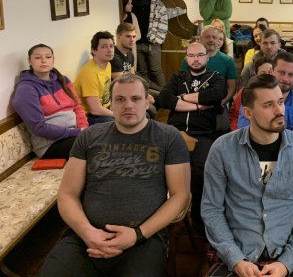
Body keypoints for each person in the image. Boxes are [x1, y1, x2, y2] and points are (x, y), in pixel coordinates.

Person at [39, 74, 191, 277]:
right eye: (120, 99)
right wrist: (87, 232)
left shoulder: (168, 137)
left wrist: (137, 235)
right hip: (87, 236)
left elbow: (180, 195)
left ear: (147, 102)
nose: (128, 105)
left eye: (135, 98)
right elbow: (67, 193)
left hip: (144, 238)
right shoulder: (89, 137)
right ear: (111, 104)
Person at [201, 74, 293, 277]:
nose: (279, 111)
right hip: (238, 251)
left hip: (286, 252)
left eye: (280, 102)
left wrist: (285, 264)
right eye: (268, 105)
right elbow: (211, 210)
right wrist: (236, 260)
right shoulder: (222, 149)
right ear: (248, 113)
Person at [159, 42, 226, 232]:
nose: (195, 59)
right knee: (158, 165)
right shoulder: (178, 77)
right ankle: (162, 213)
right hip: (174, 132)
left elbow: (215, 95)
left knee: (203, 169)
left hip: (203, 134)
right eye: (191, 55)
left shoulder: (216, 77)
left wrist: (181, 98)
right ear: (186, 58)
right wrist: (198, 105)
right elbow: (164, 98)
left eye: (200, 55)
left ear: (207, 57)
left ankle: (198, 216)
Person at [12, 44, 88, 159]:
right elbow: (39, 127)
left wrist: (83, 128)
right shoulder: (26, 89)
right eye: (38, 57)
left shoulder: (63, 80)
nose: (43, 61)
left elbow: (77, 106)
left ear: (53, 60)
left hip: (75, 132)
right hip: (50, 145)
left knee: (107, 131)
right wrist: (77, 132)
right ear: (30, 61)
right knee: (95, 144)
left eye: (48, 57)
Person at [238, 52, 293, 142]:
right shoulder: (253, 99)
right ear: (271, 71)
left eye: (291, 74)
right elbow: (246, 133)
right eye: (281, 73)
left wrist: (267, 132)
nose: (285, 79)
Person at [182, 26, 237, 108]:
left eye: (214, 37)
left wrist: (220, 103)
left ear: (218, 41)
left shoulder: (228, 61)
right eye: (207, 37)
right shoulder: (188, 59)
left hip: (219, 105)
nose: (211, 40)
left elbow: (231, 88)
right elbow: (182, 85)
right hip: (192, 104)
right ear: (200, 39)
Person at [111, 22, 157, 116]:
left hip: (131, 87)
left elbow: (133, 76)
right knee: (151, 110)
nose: (132, 40)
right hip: (122, 93)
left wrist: (144, 92)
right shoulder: (114, 57)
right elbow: (121, 83)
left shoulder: (130, 54)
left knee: (160, 96)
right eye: (128, 36)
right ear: (119, 37)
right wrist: (143, 95)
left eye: (134, 36)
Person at [240, 28, 293, 94]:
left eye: (273, 43)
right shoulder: (250, 67)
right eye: (265, 43)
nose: (269, 46)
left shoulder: (290, 66)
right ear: (260, 44)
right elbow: (242, 92)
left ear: (279, 45)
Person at [131, 0, 168, 90]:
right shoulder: (131, 2)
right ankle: (149, 94)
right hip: (137, 44)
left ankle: (165, 93)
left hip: (153, 43)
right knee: (142, 72)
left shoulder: (157, 4)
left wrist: (157, 39)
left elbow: (164, 23)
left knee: (156, 71)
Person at [74, 31, 115, 125]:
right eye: (104, 47)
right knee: (118, 123)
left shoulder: (108, 64)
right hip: (88, 115)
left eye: (111, 46)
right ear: (94, 50)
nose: (109, 50)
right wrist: (116, 114)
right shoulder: (89, 72)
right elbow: (95, 109)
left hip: (103, 108)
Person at [229, 57, 273, 131]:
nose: (267, 76)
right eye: (263, 73)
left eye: (270, 72)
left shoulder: (280, 93)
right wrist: (236, 131)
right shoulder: (244, 91)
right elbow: (234, 114)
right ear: (256, 74)